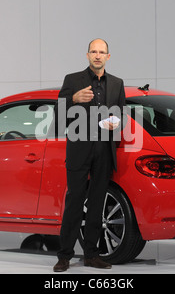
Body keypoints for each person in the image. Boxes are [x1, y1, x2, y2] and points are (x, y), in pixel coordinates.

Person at [53, 39, 126, 272]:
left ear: (108, 56)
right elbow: (58, 117)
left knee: (97, 204)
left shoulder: (117, 83)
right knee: (74, 202)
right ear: (87, 55)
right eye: (93, 51)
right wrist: (72, 100)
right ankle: (64, 256)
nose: (97, 55)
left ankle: (91, 255)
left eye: (101, 52)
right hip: (79, 149)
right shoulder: (72, 80)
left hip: (104, 149)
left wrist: (117, 123)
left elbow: (121, 114)